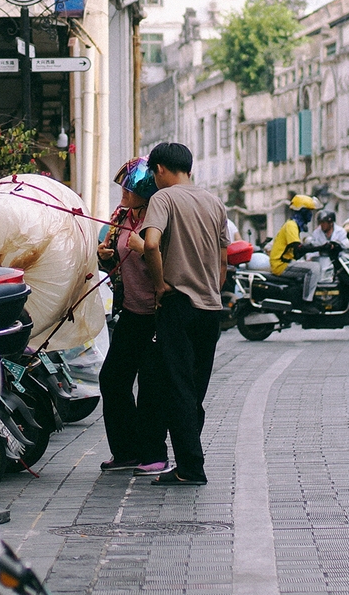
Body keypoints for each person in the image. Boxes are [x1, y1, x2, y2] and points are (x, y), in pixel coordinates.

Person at [141, 142, 228, 486]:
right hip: (211, 308)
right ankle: (189, 459)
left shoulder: (163, 199)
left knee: (178, 387)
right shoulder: (214, 202)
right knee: (194, 388)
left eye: (153, 172)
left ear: (160, 168)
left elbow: (150, 244)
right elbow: (223, 259)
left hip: (179, 304)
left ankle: (191, 468)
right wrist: (212, 286)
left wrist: (160, 285)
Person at [97, 158, 169, 474]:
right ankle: (125, 451)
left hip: (157, 311)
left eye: (128, 187)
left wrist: (144, 248)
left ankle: (154, 454)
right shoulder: (122, 217)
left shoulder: (158, 218)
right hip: (130, 310)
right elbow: (113, 260)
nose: (123, 193)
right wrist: (104, 255)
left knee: (152, 385)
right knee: (112, 378)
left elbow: (169, 261)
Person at [269, 194, 323, 313]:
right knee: (314, 268)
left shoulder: (294, 225)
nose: (311, 215)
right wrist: (320, 247)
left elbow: (296, 252)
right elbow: (298, 248)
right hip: (281, 265)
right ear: (303, 212)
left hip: (285, 262)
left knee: (310, 265)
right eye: (309, 212)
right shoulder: (291, 225)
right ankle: (307, 303)